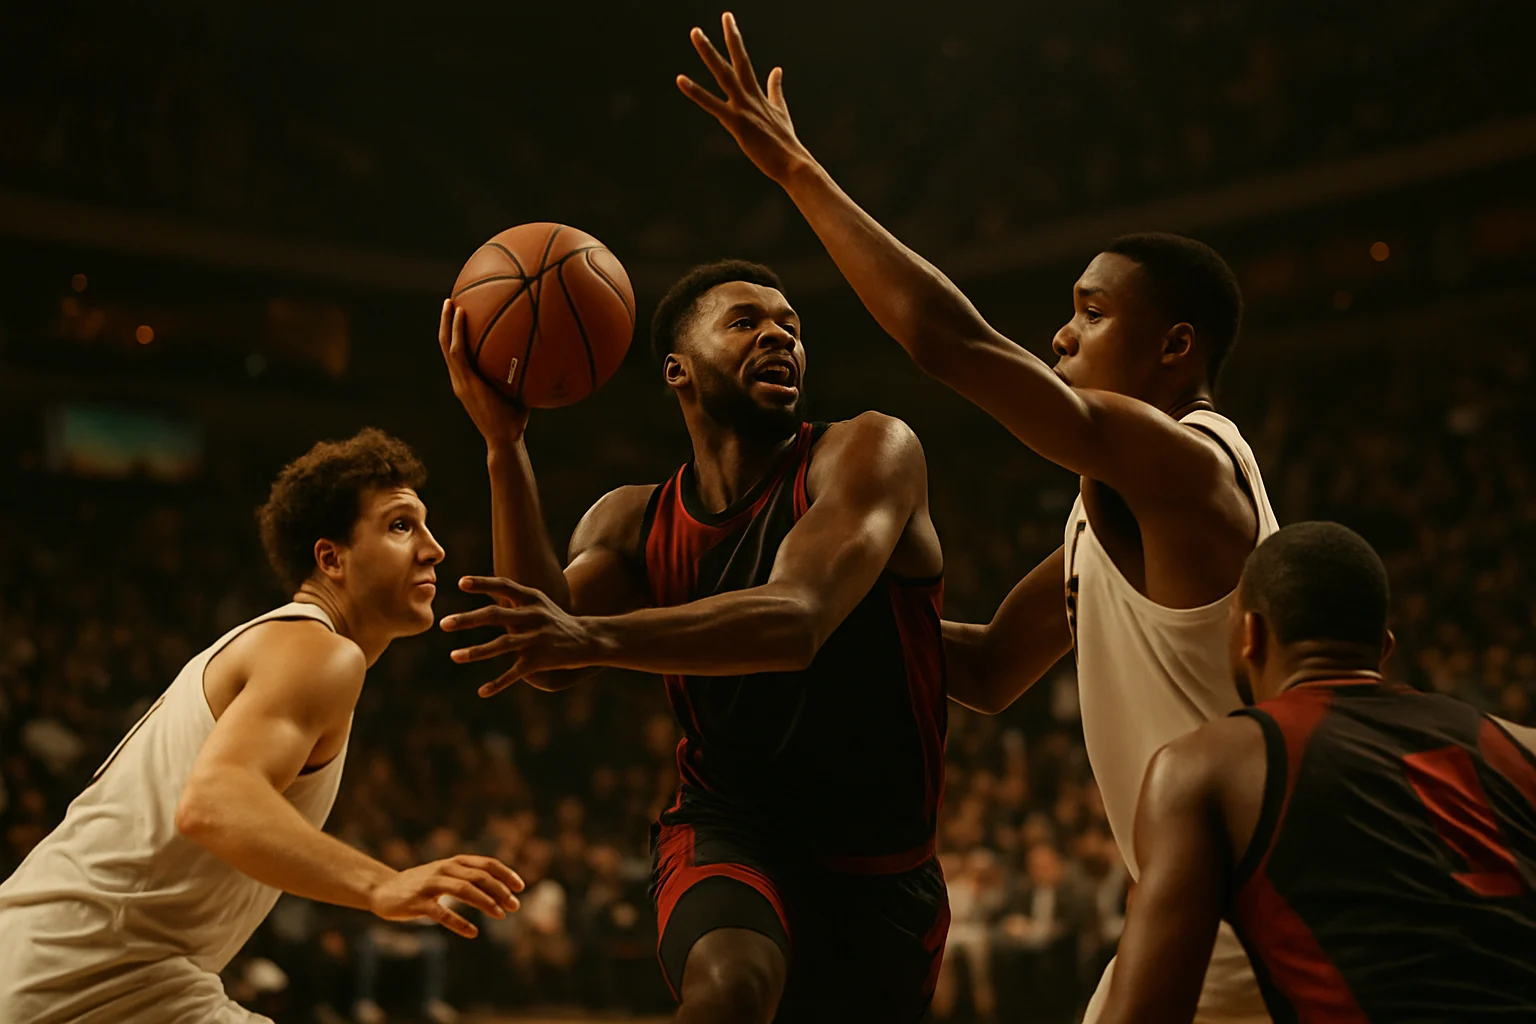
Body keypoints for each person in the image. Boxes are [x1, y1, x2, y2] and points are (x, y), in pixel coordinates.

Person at [678, 13, 1277, 1021]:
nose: (1061, 329)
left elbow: (950, 344)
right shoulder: (1118, 516)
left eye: (1091, 311)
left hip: (1245, 909)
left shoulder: (1192, 466)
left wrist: (797, 171)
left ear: (1176, 347)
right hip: (1199, 906)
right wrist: (800, 613)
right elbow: (995, 666)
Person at [436, 253, 950, 1024]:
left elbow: (797, 619)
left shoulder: (868, 450)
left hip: (882, 866)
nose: (779, 335)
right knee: (729, 993)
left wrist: (592, 636)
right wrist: (505, 448)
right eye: (746, 322)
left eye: (791, 326)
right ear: (679, 370)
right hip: (728, 826)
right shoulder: (631, 518)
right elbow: (543, 653)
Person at [0, 429, 523, 1024]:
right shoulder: (318, 650)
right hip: (80, 974)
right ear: (332, 558)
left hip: (106, 971)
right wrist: (381, 884)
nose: (434, 549)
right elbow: (214, 803)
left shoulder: (286, 644)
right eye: (401, 525)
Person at [1096, 521, 1536, 1023]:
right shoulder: (1522, 745)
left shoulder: (1206, 766)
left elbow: (1141, 1016)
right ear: (1384, 647)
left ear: (1250, 634)